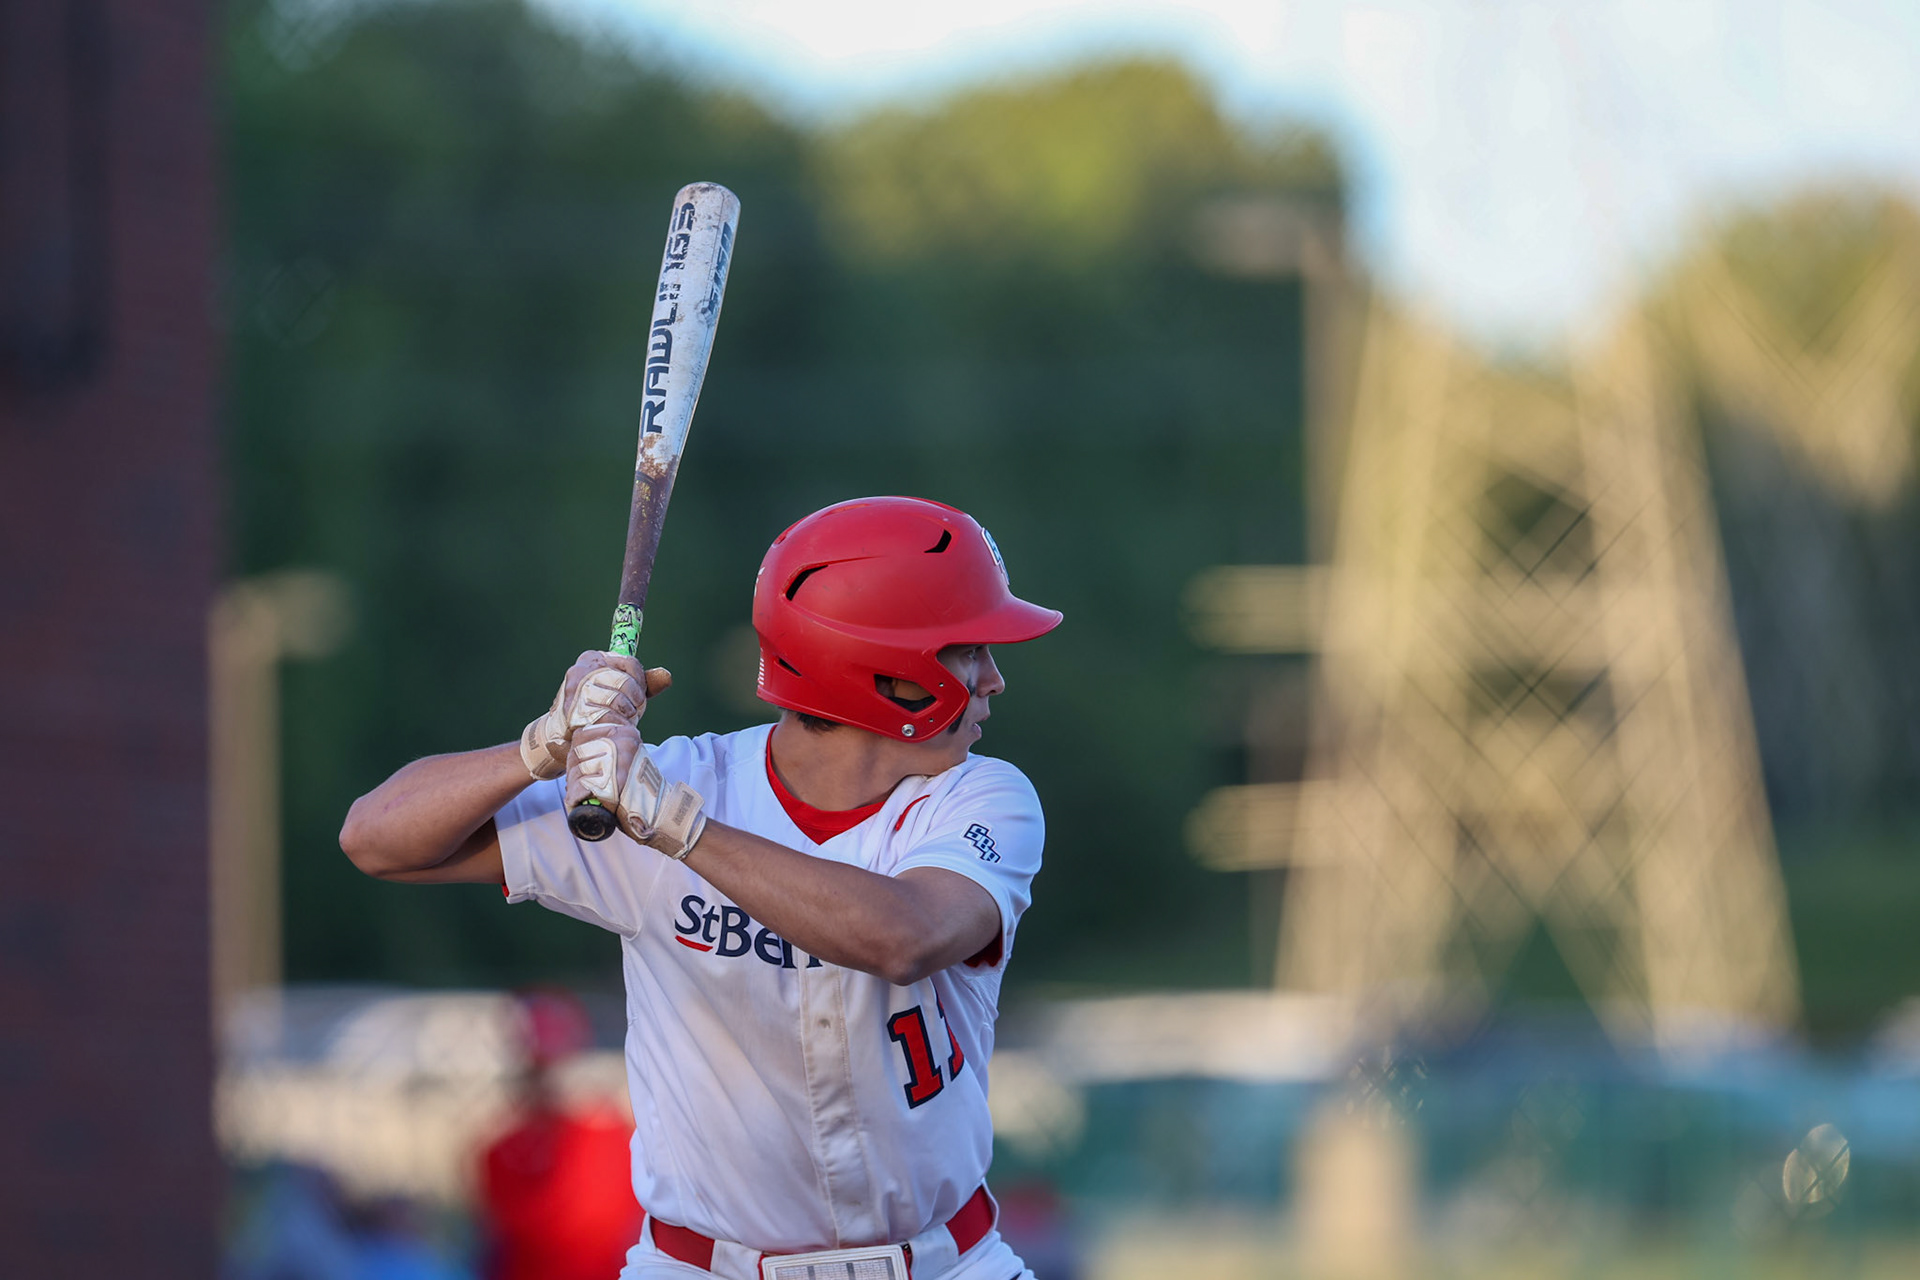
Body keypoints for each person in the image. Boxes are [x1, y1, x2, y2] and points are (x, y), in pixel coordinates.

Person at [341, 496, 1062, 1280]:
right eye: (966, 650)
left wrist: (680, 829)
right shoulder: (674, 784)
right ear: (886, 673)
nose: (992, 680)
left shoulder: (982, 797)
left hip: (947, 1263)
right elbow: (375, 839)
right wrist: (543, 745)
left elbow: (905, 937)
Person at [478, 990, 642, 1280]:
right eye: (530, 1069)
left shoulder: (606, 1135)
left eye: (545, 1066)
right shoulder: (501, 1151)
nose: (539, 1080)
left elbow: (571, 1231)